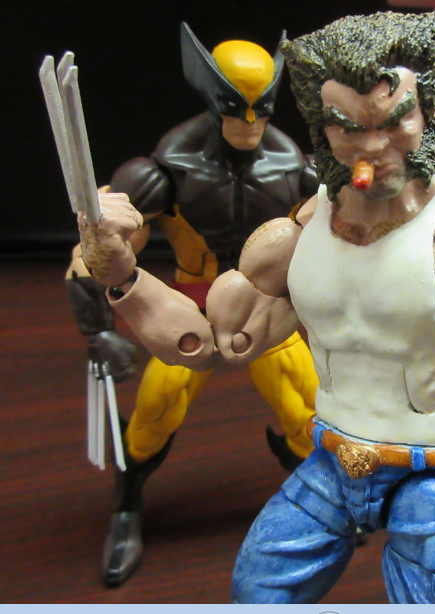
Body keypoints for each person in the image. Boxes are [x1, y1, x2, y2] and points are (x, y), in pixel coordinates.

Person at [76, 10, 435, 604]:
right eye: (347, 127)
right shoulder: (295, 237)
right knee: (256, 589)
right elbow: (209, 343)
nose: (372, 147)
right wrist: (124, 274)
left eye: (393, 122)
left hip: (427, 477)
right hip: (330, 466)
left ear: (427, 111)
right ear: (321, 128)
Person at [64, 22, 319, 587]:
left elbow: (338, 236)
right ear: (210, 95)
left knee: (308, 409)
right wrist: (98, 327)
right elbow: (98, 256)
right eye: (235, 107)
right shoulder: (164, 170)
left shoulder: (297, 168)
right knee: (156, 410)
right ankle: (126, 506)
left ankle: (325, 505)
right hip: (193, 310)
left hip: (264, 310)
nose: (249, 122)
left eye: (261, 108)